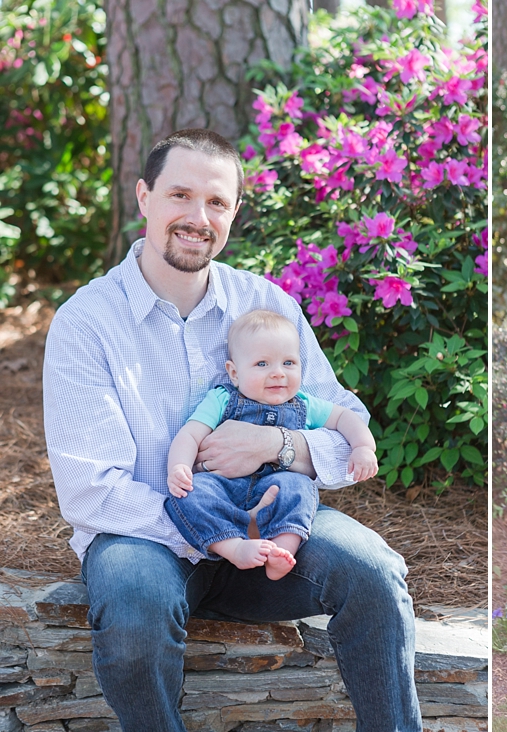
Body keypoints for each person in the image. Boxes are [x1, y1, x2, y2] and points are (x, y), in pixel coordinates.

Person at [43, 128, 423, 732]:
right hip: (144, 539)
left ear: (234, 212)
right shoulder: (87, 323)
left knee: (372, 571)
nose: (198, 217)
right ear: (144, 197)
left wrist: (278, 444)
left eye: (217, 202)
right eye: (180, 195)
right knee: (136, 605)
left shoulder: (265, 302)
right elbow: (90, 489)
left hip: (273, 527)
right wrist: (214, 532)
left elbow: (339, 415)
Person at [166, 309, 379, 581]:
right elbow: (190, 435)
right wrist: (179, 467)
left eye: (288, 363)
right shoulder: (222, 399)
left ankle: (282, 551)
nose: (278, 374)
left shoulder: (304, 404)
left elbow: (345, 417)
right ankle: (233, 547)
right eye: (262, 364)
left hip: (275, 485)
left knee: (301, 486)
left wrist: (362, 447)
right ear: (234, 372)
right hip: (224, 487)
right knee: (190, 494)